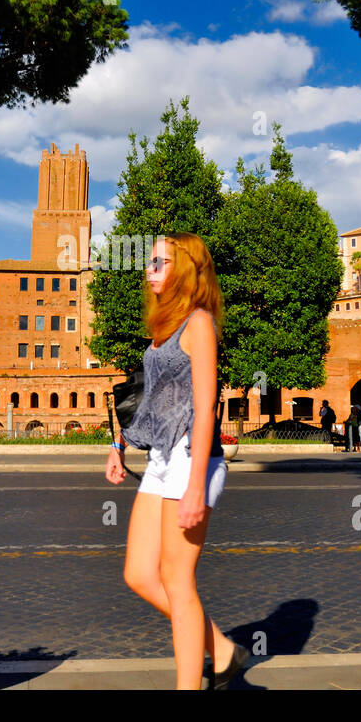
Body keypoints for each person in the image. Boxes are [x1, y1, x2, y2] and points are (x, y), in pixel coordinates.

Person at [105, 233, 246, 690]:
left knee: (177, 581)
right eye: (150, 261)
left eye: (160, 263)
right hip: (163, 456)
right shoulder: (165, 326)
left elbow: (205, 407)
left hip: (191, 458)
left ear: (184, 269)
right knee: (139, 574)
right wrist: (119, 443)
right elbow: (147, 398)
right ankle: (222, 650)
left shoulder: (199, 323)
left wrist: (194, 487)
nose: (149, 270)